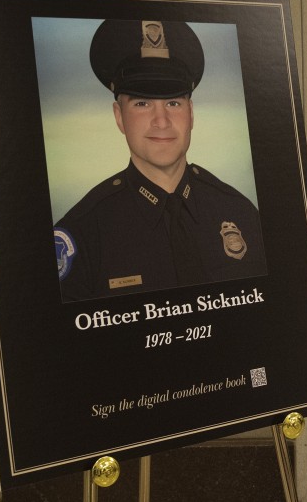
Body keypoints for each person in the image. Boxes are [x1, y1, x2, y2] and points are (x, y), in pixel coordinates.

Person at [54, 19, 267, 302]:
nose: (161, 121)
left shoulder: (242, 214)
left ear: (191, 113)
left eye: (173, 103)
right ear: (119, 116)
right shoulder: (83, 234)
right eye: (142, 103)